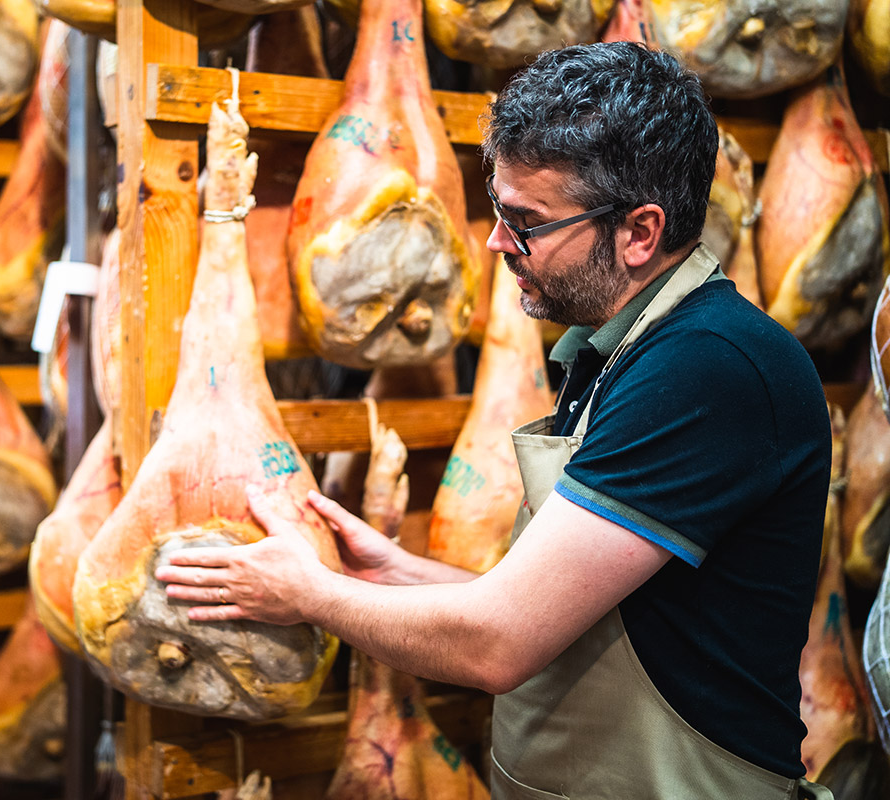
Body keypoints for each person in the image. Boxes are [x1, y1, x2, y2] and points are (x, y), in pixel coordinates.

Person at [155, 42, 832, 799]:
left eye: (526, 222)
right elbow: (586, 610)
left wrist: (309, 594)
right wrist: (394, 572)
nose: (495, 242)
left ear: (641, 232)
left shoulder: (708, 368)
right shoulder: (625, 350)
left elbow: (499, 644)